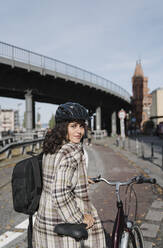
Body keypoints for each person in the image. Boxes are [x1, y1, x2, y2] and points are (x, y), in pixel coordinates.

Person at [33, 102, 106, 247]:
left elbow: (54, 177)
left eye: (81, 126)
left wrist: (81, 179)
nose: (79, 131)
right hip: (64, 224)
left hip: (46, 220)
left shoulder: (52, 147)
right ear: (63, 127)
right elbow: (60, 193)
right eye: (73, 126)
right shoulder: (71, 152)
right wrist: (80, 217)